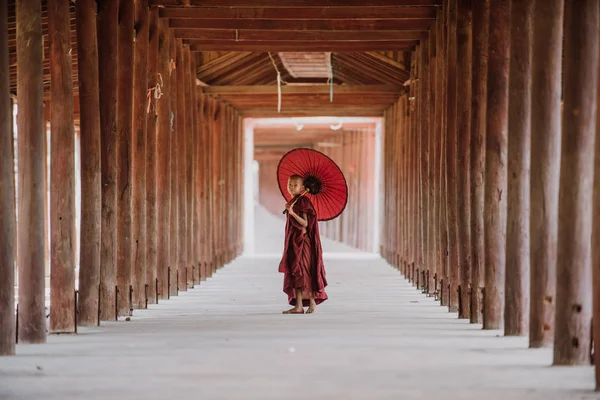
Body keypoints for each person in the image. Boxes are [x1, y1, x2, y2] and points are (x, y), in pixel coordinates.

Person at [278, 174, 328, 314]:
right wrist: (291, 208)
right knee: (296, 273)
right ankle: (298, 305)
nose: (292, 187)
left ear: (302, 187)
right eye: (290, 185)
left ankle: (312, 302)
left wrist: (292, 213)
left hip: (304, 243)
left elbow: (305, 224)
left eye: (295, 185)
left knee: (305, 273)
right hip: (295, 243)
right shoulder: (293, 201)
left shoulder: (304, 202)